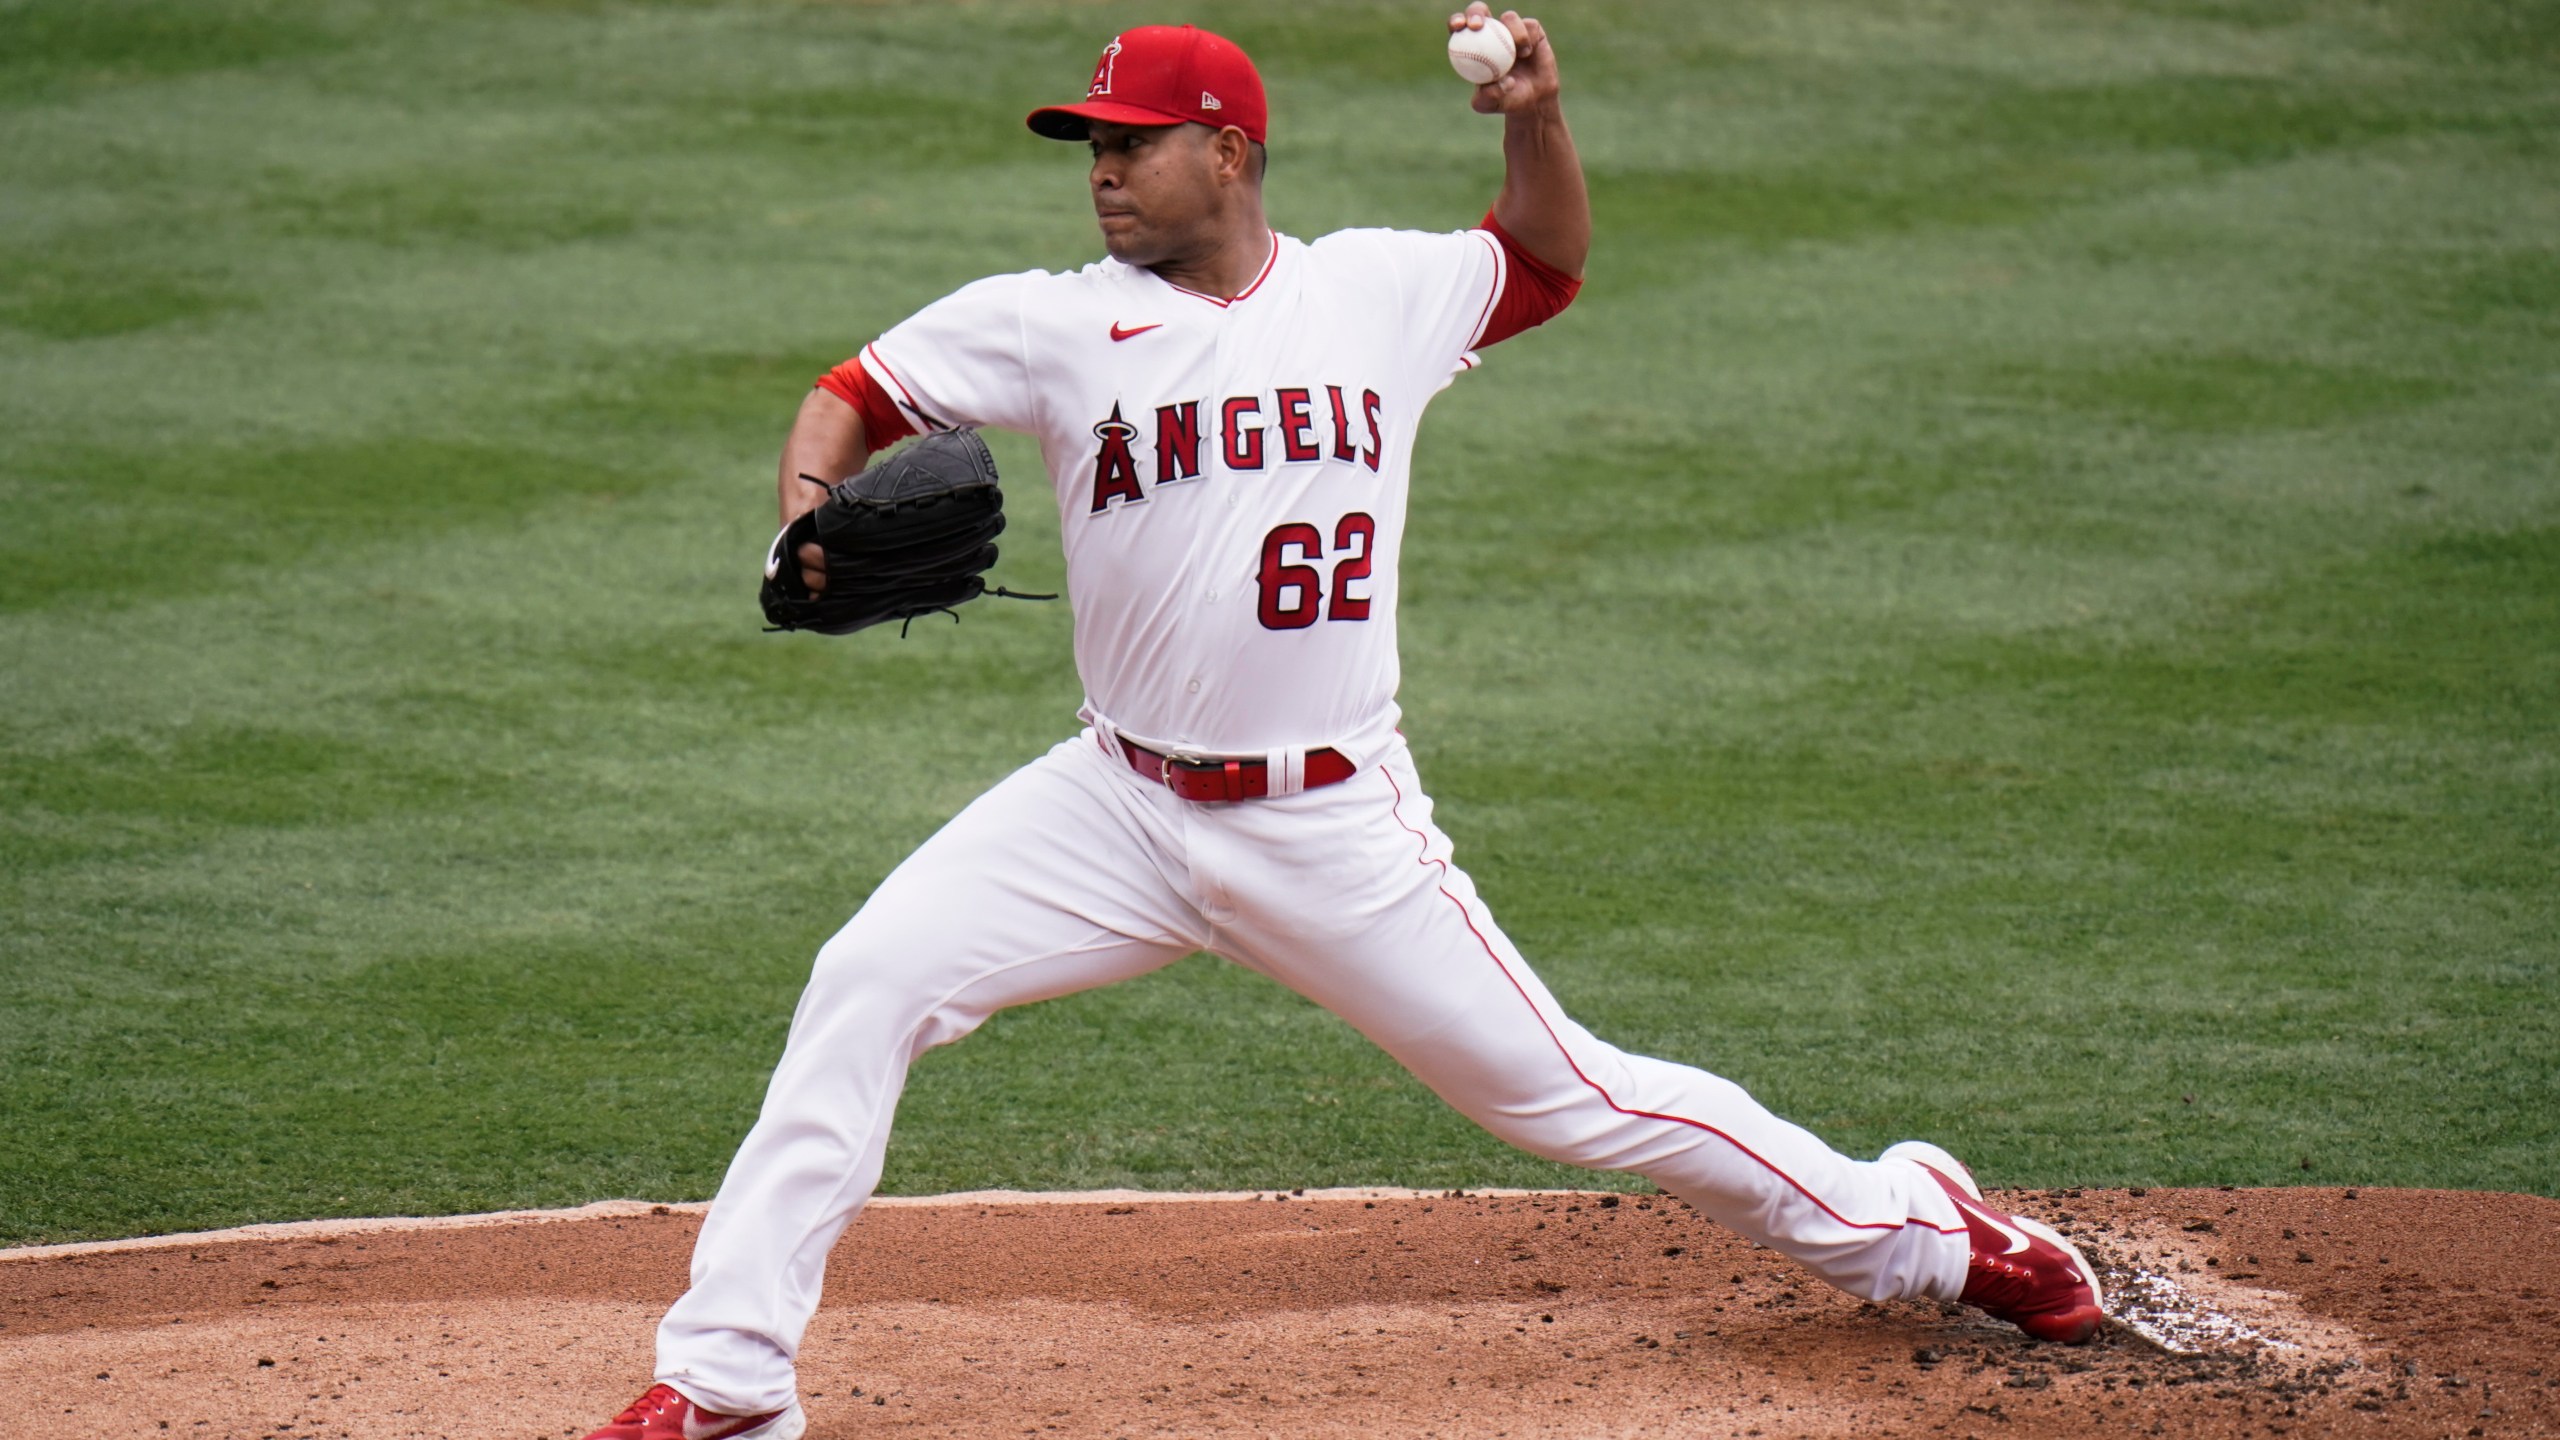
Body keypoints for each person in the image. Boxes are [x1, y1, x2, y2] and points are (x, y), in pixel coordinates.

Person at [582, 10, 2104, 1438]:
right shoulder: (1048, 326)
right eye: (1089, 146)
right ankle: (728, 1381)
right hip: (1112, 807)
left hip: (1329, 825)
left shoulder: (1374, 290)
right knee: (869, 978)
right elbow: (851, 391)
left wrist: (1540, 117)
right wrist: (801, 522)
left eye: (1132, 141)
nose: (1102, 171)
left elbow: (1543, 262)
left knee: (1569, 1098)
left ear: (1228, 152)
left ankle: (1917, 1230)